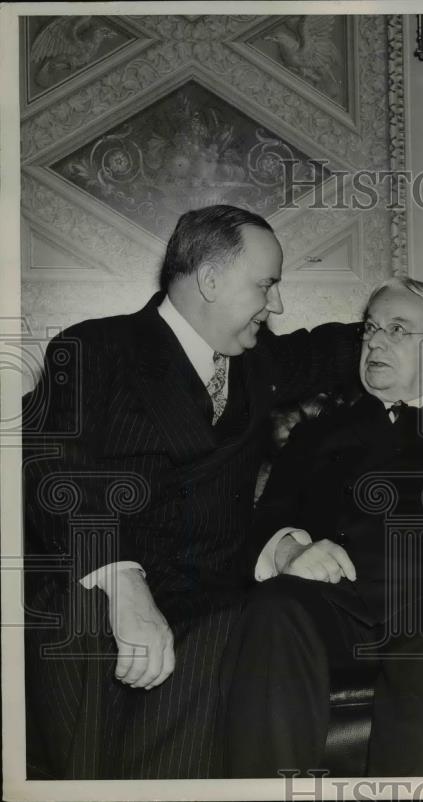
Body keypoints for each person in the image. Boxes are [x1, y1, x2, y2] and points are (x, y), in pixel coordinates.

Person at [21, 205, 371, 779]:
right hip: (98, 596)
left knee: (239, 633)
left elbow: (339, 346)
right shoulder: (95, 348)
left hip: (212, 610)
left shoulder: (257, 364)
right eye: (267, 284)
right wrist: (123, 584)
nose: (276, 304)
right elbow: (56, 470)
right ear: (209, 279)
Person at [219, 277, 423, 777]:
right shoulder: (317, 434)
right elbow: (265, 517)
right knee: (273, 606)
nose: (374, 341)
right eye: (370, 328)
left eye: (397, 329)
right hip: (337, 603)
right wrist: (288, 550)